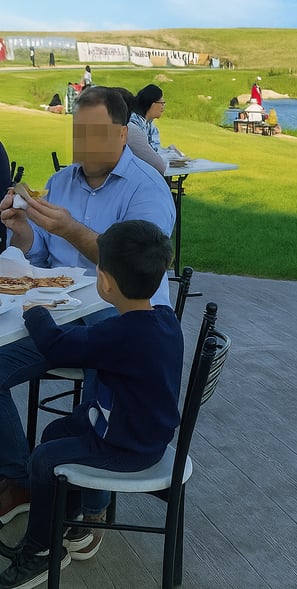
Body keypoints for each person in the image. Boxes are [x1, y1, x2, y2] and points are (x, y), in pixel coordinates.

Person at [0, 86, 176, 535]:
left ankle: (91, 507)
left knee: (107, 370)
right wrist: (22, 230)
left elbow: (138, 267)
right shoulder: (61, 183)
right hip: (58, 315)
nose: (84, 144)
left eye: (96, 132)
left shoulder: (147, 189)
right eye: (79, 132)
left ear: (122, 134)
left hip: (119, 320)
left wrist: (74, 230)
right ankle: (20, 478)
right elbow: (35, 258)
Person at [0, 220, 183, 588]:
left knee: (43, 458)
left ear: (104, 282)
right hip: (143, 430)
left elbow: (56, 345)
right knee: (56, 431)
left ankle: (39, 551)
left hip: (125, 447)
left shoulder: (116, 334)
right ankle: (66, 521)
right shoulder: (164, 319)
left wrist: (34, 310)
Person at [127, 84, 168, 175]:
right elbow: (152, 160)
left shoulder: (149, 125)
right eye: (161, 103)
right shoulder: (133, 124)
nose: (163, 107)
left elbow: (155, 150)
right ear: (152, 104)